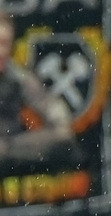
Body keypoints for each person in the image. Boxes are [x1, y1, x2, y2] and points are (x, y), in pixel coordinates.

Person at [0, 11, 83, 175]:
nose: (2, 51)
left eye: (5, 43)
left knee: (64, 141)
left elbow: (50, 106)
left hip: (10, 147)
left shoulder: (16, 77)